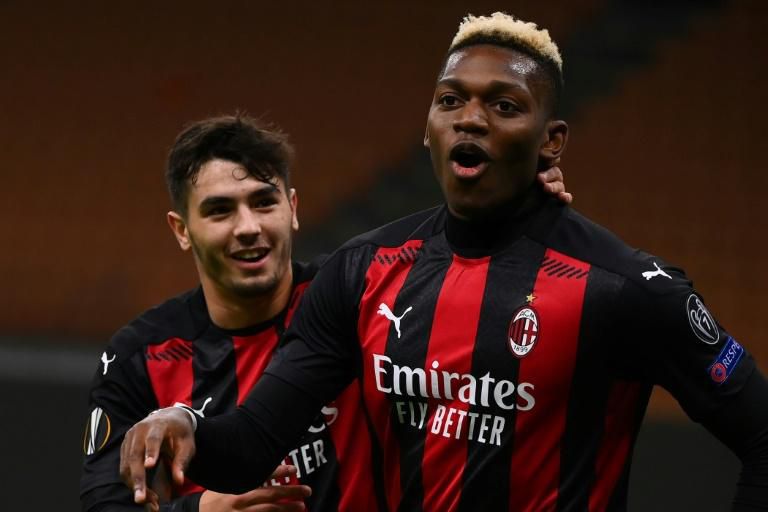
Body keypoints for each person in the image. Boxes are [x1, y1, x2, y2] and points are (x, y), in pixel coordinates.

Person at [120, 12, 768, 511]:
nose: (470, 120)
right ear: (429, 124)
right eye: (450, 100)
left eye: (503, 105)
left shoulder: (627, 288)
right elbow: (250, 446)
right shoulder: (361, 271)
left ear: (551, 141)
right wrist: (183, 422)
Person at [81, 113, 573, 511]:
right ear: (181, 229)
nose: (248, 226)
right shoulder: (139, 356)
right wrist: (203, 510)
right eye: (219, 211)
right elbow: (104, 501)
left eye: (263, 202)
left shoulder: (354, 301)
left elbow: (465, 263)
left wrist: (511, 200)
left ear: (292, 208)